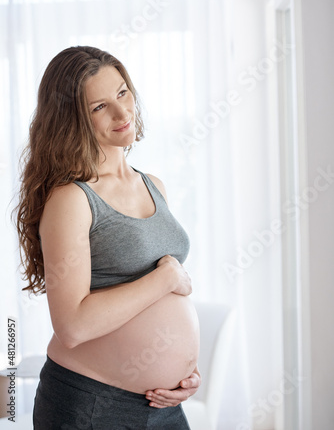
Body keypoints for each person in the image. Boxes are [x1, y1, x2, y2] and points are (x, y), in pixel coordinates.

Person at [15, 46, 201, 429]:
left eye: (122, 93)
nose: (122, 112)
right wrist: (165, 278)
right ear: (73, 120)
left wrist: (183, 372)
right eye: (99, 107)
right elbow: (72, 326)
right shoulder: (73, 199)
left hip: (164, 406)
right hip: (92, 405)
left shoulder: (154, 186)